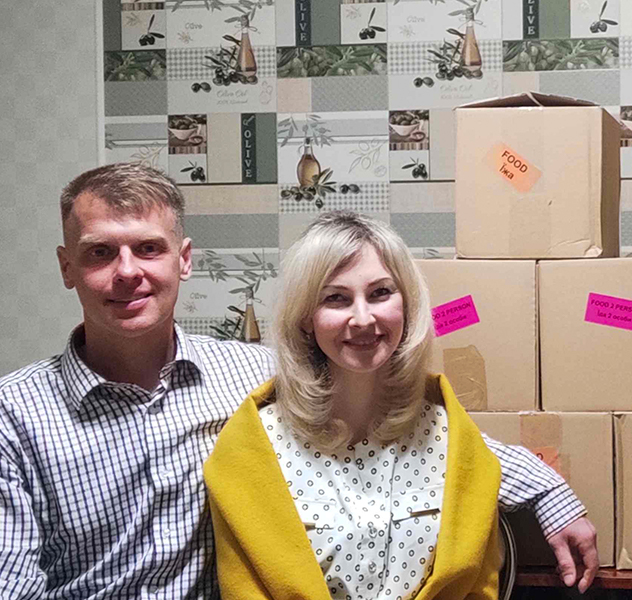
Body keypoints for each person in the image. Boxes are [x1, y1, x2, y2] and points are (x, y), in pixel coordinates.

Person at [0, 163, 596, 600]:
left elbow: (436, 443)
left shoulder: (254, 376)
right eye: (101, 253)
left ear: (182, 260)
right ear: (66, 267)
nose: (128, 273)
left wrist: (550, 492)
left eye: (148, 250)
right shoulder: (16, 411)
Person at [206, 211, 507, 598]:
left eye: (381, 293)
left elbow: (479, 584)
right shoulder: (253, 446)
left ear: (407, 305)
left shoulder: (449, 430)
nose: (363, 318)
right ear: (305, 319)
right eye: (336, 298)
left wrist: (551, 494)